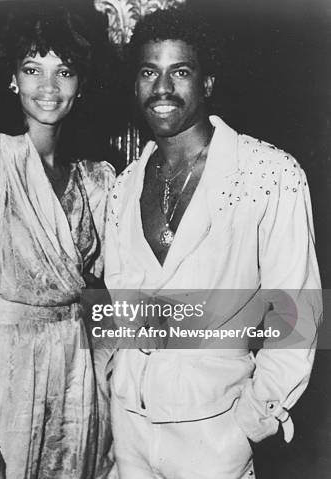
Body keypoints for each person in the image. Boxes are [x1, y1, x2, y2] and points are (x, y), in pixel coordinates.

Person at [104, 7, 322, 479]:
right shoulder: (122, 186)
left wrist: (250, 422)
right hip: (129, 431)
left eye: (180, 72)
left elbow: (296, 313)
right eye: (149, 72)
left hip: (216, 433)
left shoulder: (268, 174)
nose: (162, 89)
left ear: (207, 83)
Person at [0, 7, 115, 479]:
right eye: (32, 69)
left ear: (80, 84)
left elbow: (109, 291)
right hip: (7, 379)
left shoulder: (96, 179)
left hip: (78, 379)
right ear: (12, 80)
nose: (48, 86)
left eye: (64, 71)